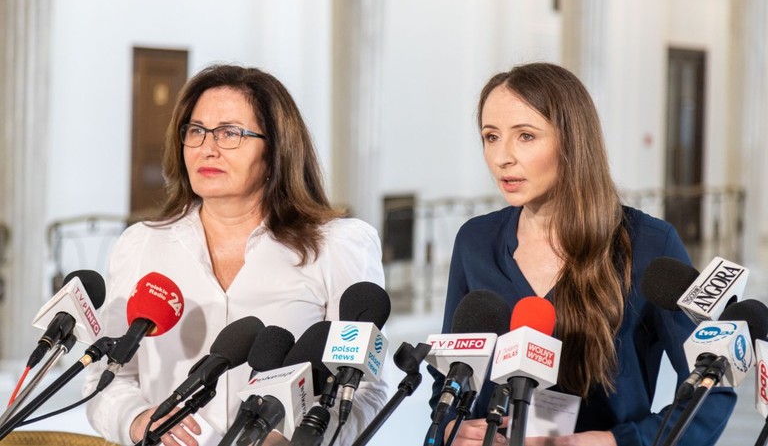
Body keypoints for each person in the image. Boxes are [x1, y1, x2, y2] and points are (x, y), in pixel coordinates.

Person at [429, 62, 735, 446]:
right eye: (491, 136)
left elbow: (713, 392)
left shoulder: (652, 244)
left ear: (572, 141)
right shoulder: (475, 241)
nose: (502, 157)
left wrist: (616, 441)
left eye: (526, 136)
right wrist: (451, 428)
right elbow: (451, 377)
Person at [83, 64, 387, 446]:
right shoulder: (142, 244)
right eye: (196, 131)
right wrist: (136, 419)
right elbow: (107, 378)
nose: (207, 148)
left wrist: (301, 439)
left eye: (230, 133)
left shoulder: (338, 245)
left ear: (275, 149)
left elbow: (365, 390)